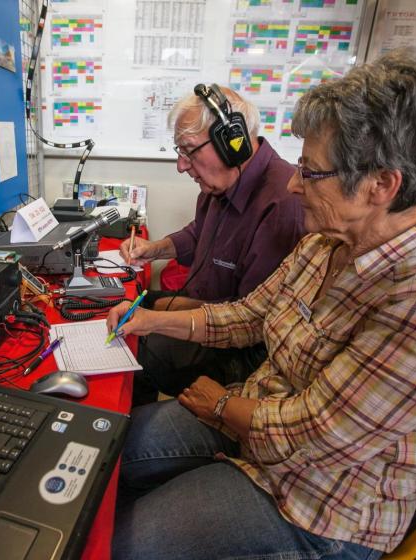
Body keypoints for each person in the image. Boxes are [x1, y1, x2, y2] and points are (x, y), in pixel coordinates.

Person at [107, 50, 416, 559]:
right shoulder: (325, 244)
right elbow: (249, 314)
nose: (292, 183)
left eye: (310, 173)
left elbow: (316, 433)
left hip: (320, 506)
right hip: (252, 427)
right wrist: (152, 320)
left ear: (381, 184)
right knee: (102, 454)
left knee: (118, 544)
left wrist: (221, 405)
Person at [121, 84, 305, 405]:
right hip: (205, 310)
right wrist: (154, 249)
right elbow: (198, 235)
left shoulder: (283, 203)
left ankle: (136, 442)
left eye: (189, 150)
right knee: (132, 306)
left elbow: (246, 318)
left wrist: (162, 313)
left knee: (138, 349)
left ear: (231, 143)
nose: (181, 165)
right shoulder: (218, 186)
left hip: (240, 349)